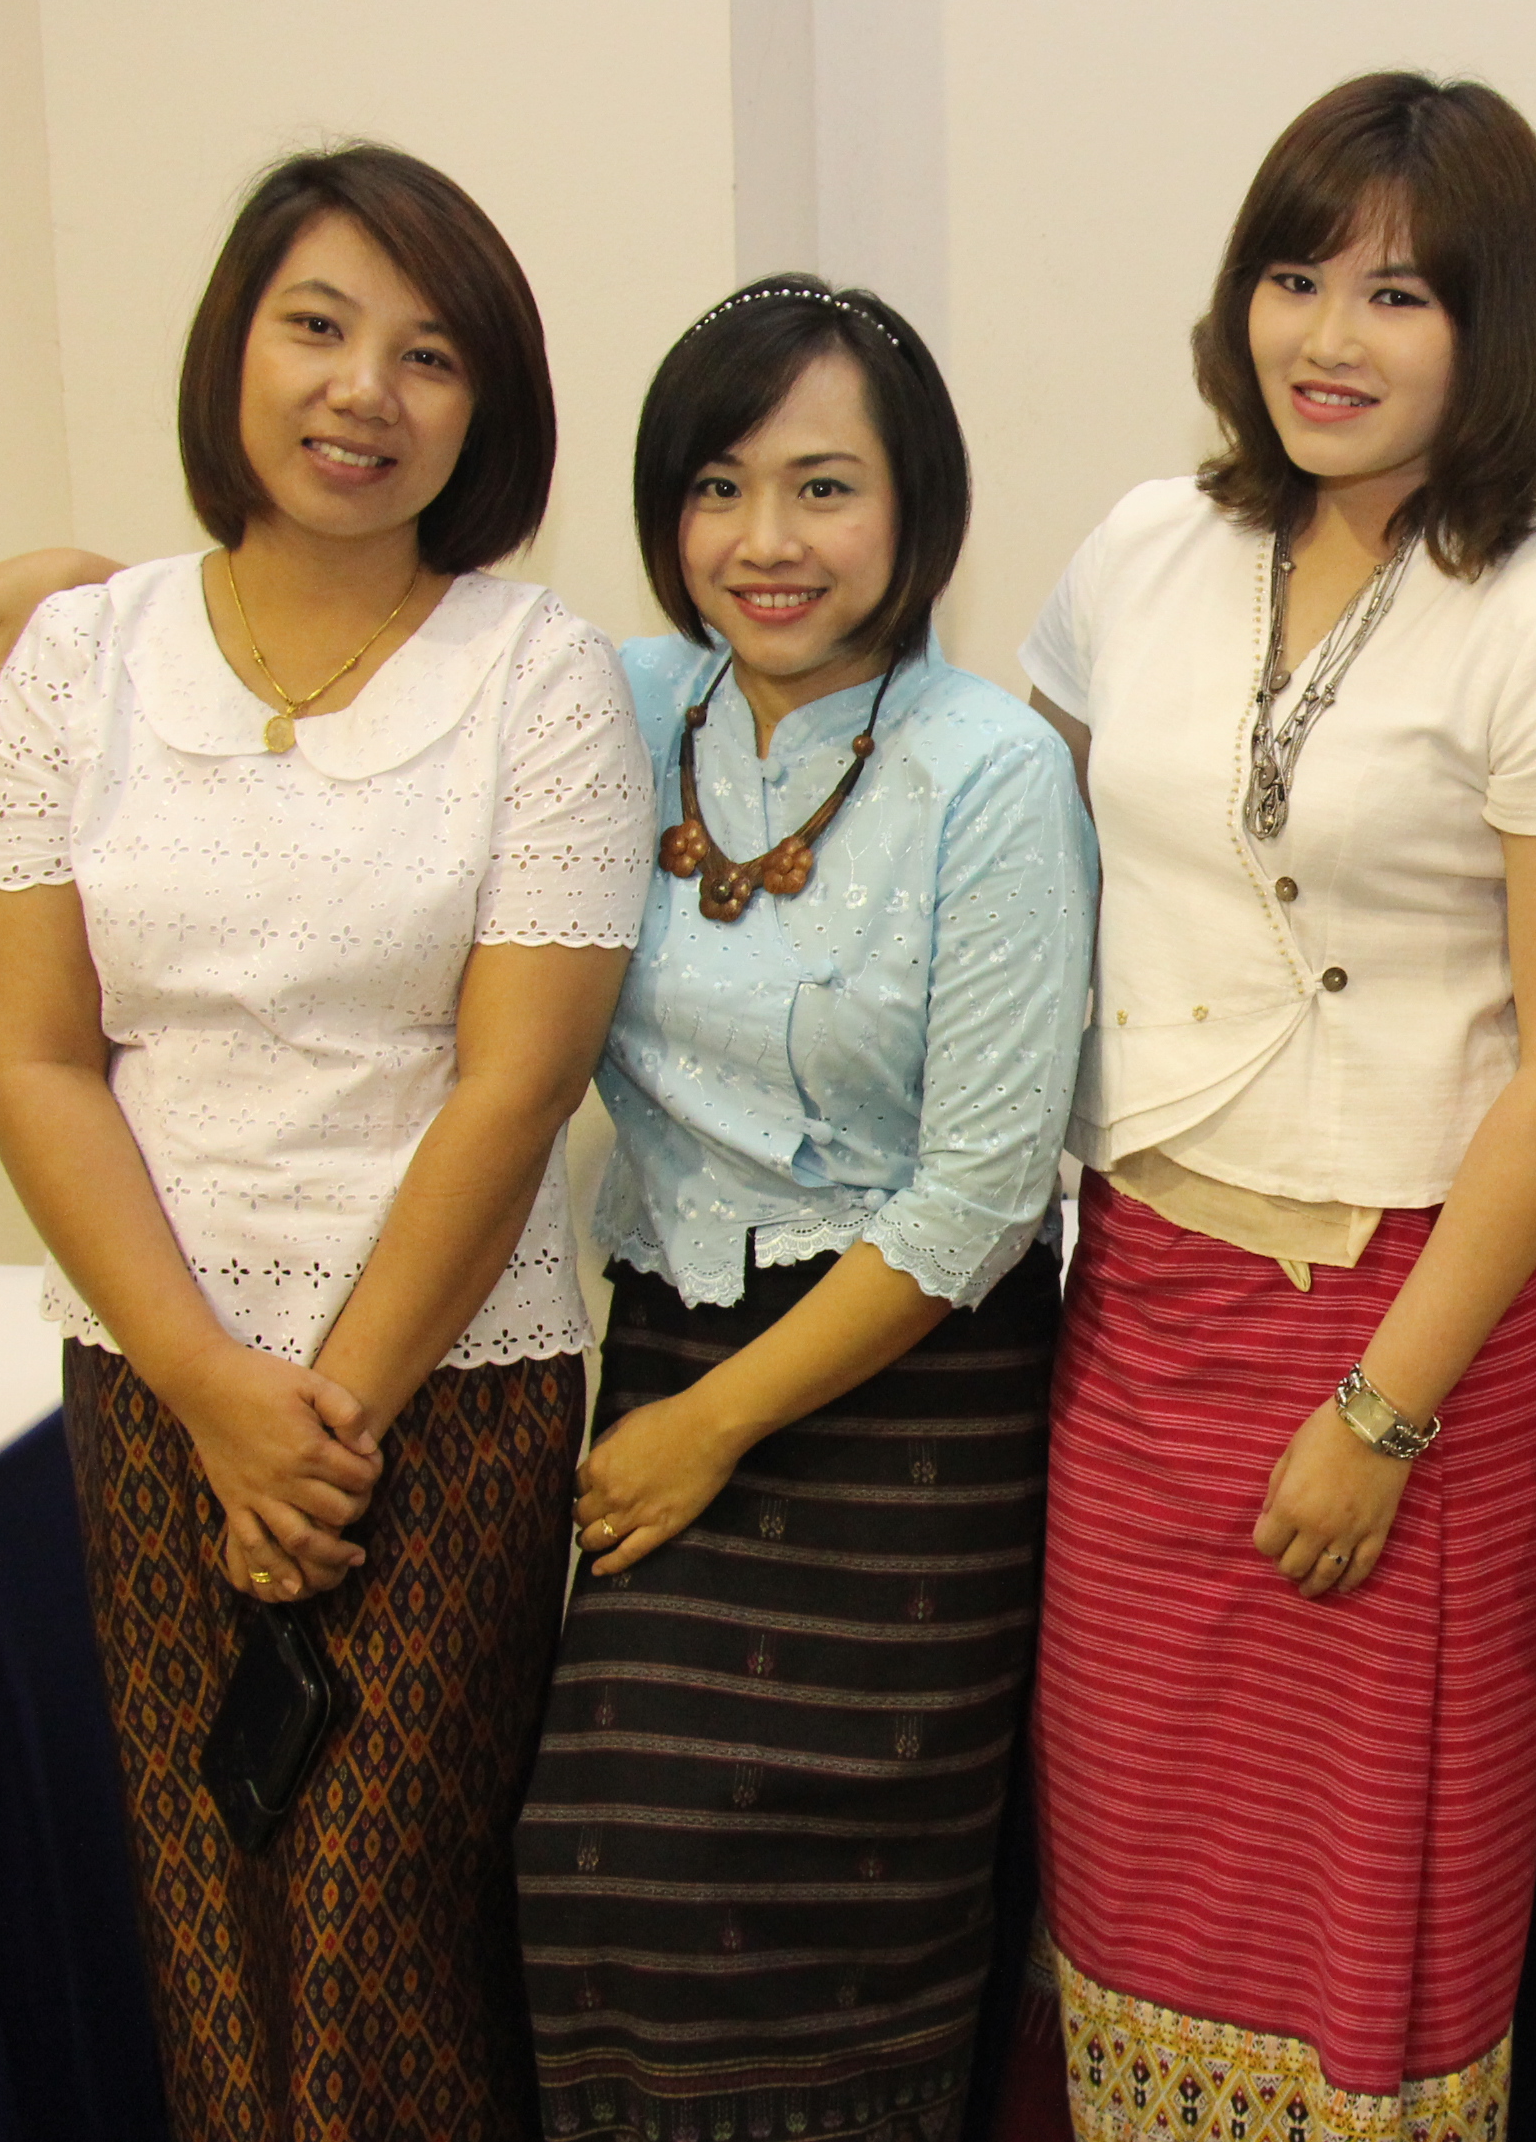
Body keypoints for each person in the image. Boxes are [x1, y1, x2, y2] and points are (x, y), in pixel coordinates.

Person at [0, 144, 654, 2139]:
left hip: (444, 1394)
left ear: (485, 408)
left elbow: (516, 1084)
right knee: (212, 1925)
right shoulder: (78, 661)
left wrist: (318, 1426)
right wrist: (208, 1391)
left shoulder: (538, 678)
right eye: (318, 329)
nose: (365, 393)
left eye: (429, 356)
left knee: (375, 1942)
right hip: (153, 1383)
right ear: (232, 352)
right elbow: (37, 1056)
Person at [1016, 71, 1536, 2138]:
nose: (1328, 338)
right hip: (1142, 1315)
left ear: (1498, 325)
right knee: (1133, 1874)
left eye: (1398, 294)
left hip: (1414, 1341)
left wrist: (1382, 1414)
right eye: (1294, 278)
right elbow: (1014, 866)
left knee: (1367, 1927)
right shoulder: (1149, 546)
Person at [512, 276, 1093, 2141]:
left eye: (824, 488)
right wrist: (69, 597)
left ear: (917, 507)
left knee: (838, 1906)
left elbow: (984, 1190)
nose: (766, 541)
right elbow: (375, 645)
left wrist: (713, 1429)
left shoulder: (989, 770)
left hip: (911, 1388)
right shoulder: (612, 703)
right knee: (597, 1871)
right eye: (719, 486)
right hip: (670, 1326)